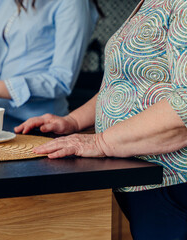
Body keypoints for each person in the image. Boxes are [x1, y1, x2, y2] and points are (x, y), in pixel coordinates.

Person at [15, 0, 187, 239]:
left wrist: (101, 142)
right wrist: (73, 121)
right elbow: (124, 85)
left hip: (173, 179)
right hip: (142, 176)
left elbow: (185, 106)